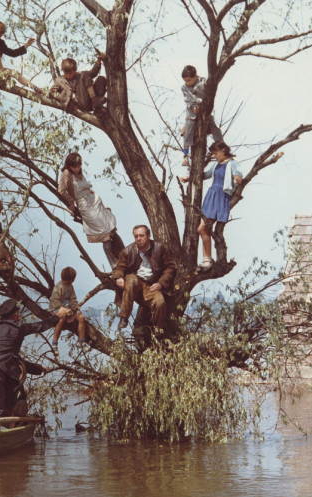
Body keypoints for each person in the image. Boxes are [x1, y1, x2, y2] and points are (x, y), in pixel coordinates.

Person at [0, 299, 71, 418]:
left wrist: (38, 368)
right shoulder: (18, 327)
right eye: (18, 314)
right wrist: (58, 316)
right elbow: (40, 326)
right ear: (15, 314)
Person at [178, 141, 243, 269]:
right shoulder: (215, 165)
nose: (215, 156)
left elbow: (238, 176)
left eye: (216, 153)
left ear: (223, 150)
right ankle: (206, 258)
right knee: (204, 229)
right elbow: (204, 175)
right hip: (211, 196)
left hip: (220, 196)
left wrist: (237, 179)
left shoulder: (233, 163)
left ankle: (207, 258)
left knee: (202, 229)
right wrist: (188, 177)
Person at [58, 152, 124, 265]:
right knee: (105, 235)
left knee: (112, 229)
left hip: (94, 201)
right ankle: (114, 264)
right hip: (85, 206)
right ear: (69, 166)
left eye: (79, 165)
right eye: (75, 166)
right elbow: (61, 190)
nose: (78, 168)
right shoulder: (66, 173)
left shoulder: (79, 172)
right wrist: (71, 203)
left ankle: (125, 257)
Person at [111, 225, 177, 332]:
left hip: (152, 284)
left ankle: (158, 331)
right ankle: (124, 317)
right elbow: (119, 267)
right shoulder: (127, 251)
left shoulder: (160, 248)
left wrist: (161, 283)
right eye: (136, 236)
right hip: (136, 281)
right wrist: (119, 277)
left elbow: (171, 267)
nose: (138, 238)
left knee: (160, 303)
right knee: (130, 280)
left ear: (148, 235)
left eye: (141, 235)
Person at [180, 65, 223, 167]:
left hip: (205, 111)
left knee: (215, 128)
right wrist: (194, 106)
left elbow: (209, 93)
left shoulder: (203, 82)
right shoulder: (184, 87)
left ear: (195, 76)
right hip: (192, 113)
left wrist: (203, 105)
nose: (188, 83)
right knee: (188, 133)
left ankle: (222, 146)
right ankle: (185, 156)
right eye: (185, 81)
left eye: (189, 80)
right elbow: (187, 99)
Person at [49, 267, 86, 344]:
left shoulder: (70, 286)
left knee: (81, 318)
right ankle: (55, 340)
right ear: (72, 278)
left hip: (69, 308)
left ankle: (81, 338)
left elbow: (73, 298)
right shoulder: (58, 287)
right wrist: (64, 310)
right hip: (59, 308)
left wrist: (74, 307)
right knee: (61, 320)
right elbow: (55, 301)